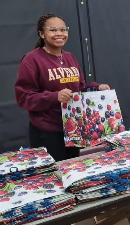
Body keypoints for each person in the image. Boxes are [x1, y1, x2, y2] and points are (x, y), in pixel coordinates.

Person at [15, 14, 110, 162]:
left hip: (73, 128)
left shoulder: (69, 57)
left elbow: (79, 89)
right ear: (41, 33)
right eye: (52, 30)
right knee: (54, 177)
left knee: (72, 171)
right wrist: (54, 97)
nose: (59, 34)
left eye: (63, 30)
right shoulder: (31, 60)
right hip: (47, 131)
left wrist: (96, 88)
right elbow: (24, 98)